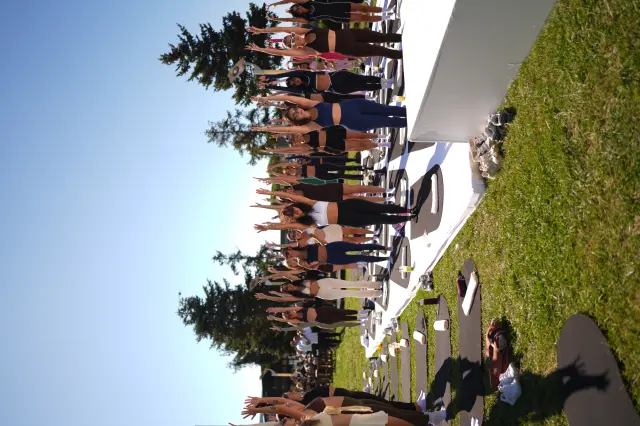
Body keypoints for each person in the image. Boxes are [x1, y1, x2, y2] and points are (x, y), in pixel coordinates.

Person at [254, 188, 413, 229]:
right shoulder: (308, 223)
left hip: (349, 205)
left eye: (294, 209)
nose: (296, 212)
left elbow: (289, 196)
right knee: (380, 219)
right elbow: (286, 226)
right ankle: (408, 218)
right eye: (294, 215)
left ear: (295, 206)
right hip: (349, 219)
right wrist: (268, 227)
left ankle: (407, 211)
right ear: (296, 219)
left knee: (379, 208)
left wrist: (270, 193)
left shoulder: (309, 202)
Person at [252, 95, 407, 133]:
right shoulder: (310, 126)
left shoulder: (310, 104)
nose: (298, 111)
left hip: (353, 105)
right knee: (388, 121)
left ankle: (411, 113)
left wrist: (266, 98)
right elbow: (288, 129)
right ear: (297, 121)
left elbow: (289, 98)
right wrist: (265, 129)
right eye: (295, 115)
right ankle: (411, 123)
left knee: (388, 109)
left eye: (296, 109)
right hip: (354, 121)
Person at [246, 26, 402, 60]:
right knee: (378, 50)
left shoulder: (306, 31)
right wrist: (261, 49)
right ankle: (402, 55)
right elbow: (282, 53)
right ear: (295, 47)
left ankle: (403, 38)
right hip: (348, 47)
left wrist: (262, 30)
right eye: (291, 41)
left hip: (348, 33)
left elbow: (282, 28)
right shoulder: (306, 50)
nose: (293, 37)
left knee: (382, 36)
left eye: (291, 36)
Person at [261, 70, 393, 95]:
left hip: (336, 76)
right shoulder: (303, 89)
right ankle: (385, 86)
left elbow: (286, 74)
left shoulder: (304, 73)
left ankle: (386, 81)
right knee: (361, 86)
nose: (296, 81)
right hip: (336, 88)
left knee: (362, 78)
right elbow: (287, 90)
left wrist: (270, 77)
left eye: (294, 79)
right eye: (294, 83)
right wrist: (272, 86)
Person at [268, 0, 394, 24]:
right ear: (298, 14)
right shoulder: (307, 18)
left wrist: (276, 4)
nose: (298, 8)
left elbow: (290, 0)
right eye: (296, 11)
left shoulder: (309, 2)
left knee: (363, 8)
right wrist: (276, 19)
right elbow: (290, 20)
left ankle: (388, 10)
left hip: (339, 5)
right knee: (363, 18)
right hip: (338, 17)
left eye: (297, 7)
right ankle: (388, 17)